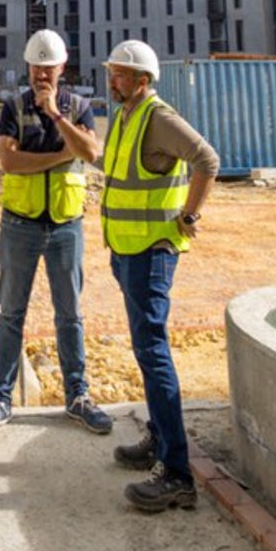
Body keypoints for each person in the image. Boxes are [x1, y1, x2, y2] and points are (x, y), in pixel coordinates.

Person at [0, 29, 112, 439]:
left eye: (49, 67)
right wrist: (58, 156)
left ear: (61, 68)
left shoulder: (79, 108)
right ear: (28, 67)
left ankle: (77, 395)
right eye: (36, 66)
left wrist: (57, 118)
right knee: (11, 314)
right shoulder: (12, 108)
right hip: (20, 224)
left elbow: (90, 152)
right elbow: (10, 162)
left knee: (70, 315)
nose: (42, 74)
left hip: (66, 225)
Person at [100, 40, 219, 513]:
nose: (113, 80)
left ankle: (177, 475)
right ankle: (159, 435)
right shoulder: (127, 116)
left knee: (153, 349)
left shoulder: (158, 117)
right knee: (145, 349)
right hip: (127, 248)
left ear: (141, 81)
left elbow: (207, 160)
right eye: (112, 73)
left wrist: (190, 215)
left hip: (152, 251)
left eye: (120, 74)